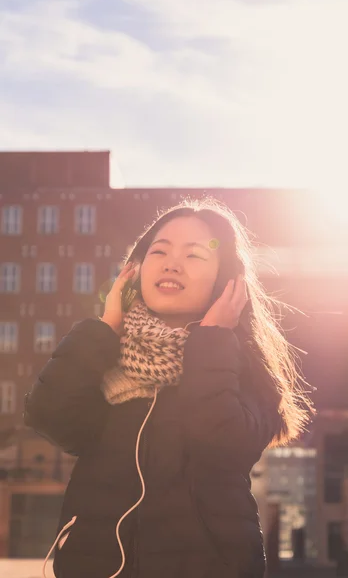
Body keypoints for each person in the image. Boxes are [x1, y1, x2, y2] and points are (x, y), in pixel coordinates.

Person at [24, 197, 313, 578]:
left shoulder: (242, 370)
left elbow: (220, 443)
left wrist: (211, 341)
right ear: (135, 272)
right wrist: (105, 328)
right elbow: (50, 418)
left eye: (195, 256)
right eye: (159, 251)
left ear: (226, 283)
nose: (171, 262)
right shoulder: (103, 359)